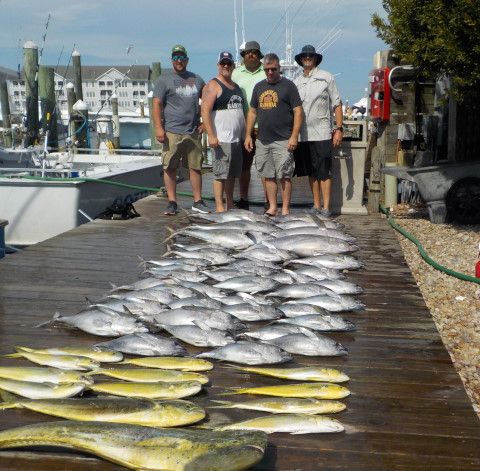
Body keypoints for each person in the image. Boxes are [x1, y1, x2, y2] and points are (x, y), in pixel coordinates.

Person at [152, 44, 210, 215]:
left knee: (195, 167)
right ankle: (172, 202)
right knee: (170, 167)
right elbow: (156, 104)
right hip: (171, 131)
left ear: (187, 60)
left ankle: (198, 201)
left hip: (192, 131)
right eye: (176, 57)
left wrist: (205, 124)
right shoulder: (163, 80)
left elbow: (207, 102)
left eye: (182, 57)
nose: (179, 60)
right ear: (172, 60)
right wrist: (159, 128)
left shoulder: (197, 79)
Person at [244, 53, 303, 216]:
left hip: (283, 139)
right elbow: (252, 112)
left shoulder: (289, 86)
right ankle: (272, 207)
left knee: (284, 176)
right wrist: (248, 135)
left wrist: (294, 136)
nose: (270, 72)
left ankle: (285, 209)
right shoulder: (259, 87)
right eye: (267, 69)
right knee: (268, 175)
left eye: (273, 69)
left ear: (279, 68)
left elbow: (298, 112)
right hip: (263, 140)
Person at [293, 45, 343, 217]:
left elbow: (337, 104)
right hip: (303, 134)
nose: (307, 58)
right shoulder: (296, 81)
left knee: (324, 171)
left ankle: (326, 207)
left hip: (322, 131)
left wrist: (338, 128)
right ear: (300, 60)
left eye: (310, 56)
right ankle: (316, 204)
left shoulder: (326, 77)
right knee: (311, 172)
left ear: (315, 59)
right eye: (304, 56)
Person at [201, 51, 245, 212]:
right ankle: (220, 206)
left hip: (235, 139)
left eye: (229, 63)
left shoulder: (236, 87)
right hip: (221, 139)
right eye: (223, 63)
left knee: (232, 175)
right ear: (218, 65)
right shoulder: (213, 85)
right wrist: (211, 135)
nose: (226, 66)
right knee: (220, 174)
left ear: (233, 65)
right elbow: (204, 111)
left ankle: (230, 203)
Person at [231, 40, 266, 210]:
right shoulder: (235, 73)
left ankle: (269, 200)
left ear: (260, 55)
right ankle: (243, 198)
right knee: (244, 166)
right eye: (247, 52)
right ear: (243, 55)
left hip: (265, 127)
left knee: (266, 167)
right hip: (244, 128)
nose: (251, 54)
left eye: (254, 52)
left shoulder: (267, 72)